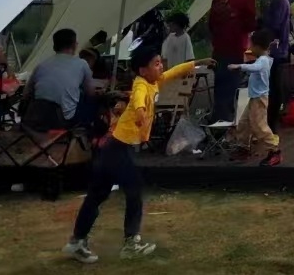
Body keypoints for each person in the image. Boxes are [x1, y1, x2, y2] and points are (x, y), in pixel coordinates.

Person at [63, 46, 214, 263]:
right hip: (118, 148)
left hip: (111, 148)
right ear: (143, 70)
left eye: (160, 63)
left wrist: (197, 63)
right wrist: (142, 115)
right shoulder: (141, 85)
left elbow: (173, 72)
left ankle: (77, 241)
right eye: (156, 64)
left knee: (98, 194)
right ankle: (131, 243)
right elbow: (139, 101)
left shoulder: (155, 81)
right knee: (134, 190)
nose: (161, 67)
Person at [208, 0, 256, 122]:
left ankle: (216, 123)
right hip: (234, 49)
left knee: (219, 89)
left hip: (218, 50)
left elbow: (211, 24)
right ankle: (225, 126)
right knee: (230, 90)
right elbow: (250, 25)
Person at [24, 28, 99, 128]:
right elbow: (90, 92)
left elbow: (26, 93)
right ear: (74, 45)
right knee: (94, 102)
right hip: (62, 120)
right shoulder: (82, 64)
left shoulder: (41, 65)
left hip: (37, 116)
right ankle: (86, 134)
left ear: (54, 46)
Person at [228, 28, 281, 167]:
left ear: (258, 46)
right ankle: (243, 148)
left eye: (251, 45)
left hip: (259, 99)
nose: (250, 48)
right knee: (244, 123)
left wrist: (239, 66)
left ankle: (274, 151)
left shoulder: (263, 60)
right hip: (254, 98)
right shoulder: (263, 59)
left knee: (259, 126)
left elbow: (255, 67)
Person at [260, 0, 292, 133]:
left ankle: (273, 120)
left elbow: (275, 24)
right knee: (273, 84)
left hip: (277, 50)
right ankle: (272, 118)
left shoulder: (280, 1)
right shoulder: (278, 1)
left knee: (274, 85)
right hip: (277, 49)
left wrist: (261, 23)